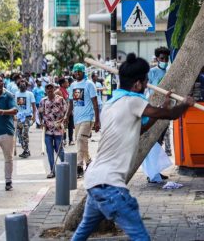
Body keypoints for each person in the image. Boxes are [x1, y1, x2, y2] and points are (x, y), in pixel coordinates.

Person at [71, 53, 195, 241]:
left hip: (94, 181)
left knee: (81, 234)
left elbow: (139, 128)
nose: (146, 85)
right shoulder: (134, 101)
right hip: (110, 185)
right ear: (137, 84)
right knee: (140, 237)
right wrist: (185, 104)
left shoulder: (111, 104)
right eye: (145, 82)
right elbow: (169, 116)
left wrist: (163, 107)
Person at [142, 47, 173, 184]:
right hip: (154, 111)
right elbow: (146, 90)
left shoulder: (169, 72)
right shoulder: (152, 72)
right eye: (162, 59)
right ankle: (151, 174)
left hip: (165, 111)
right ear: (157, 59)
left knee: (159, 143)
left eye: (166, 59)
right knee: (153, 142)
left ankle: (156, 172)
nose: (164, 61)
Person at [64, 63, 100, 178]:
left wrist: (97, 121)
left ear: (84, 72)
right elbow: (70, 103)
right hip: (77, 119)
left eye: (79, 71)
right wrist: (66, 116)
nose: (77, 73)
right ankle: (89, 162)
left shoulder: (89, 84)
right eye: (76, 71)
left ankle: (79, 167)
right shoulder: (72, 85)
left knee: (80, 139)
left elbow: (95, 104)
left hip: (88, 118)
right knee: (82, 141)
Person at [38, 83, 67, 178]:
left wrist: (63, 121)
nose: (49, 90)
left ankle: (67, 166)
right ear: (45, 90)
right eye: (48, 89)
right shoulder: (43, 101)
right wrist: (41, 122)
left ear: (54, 89)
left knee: (59, 150)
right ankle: (52, 171)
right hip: (48, 130)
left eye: (51, 88)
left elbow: (65, 112)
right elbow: (40, 113)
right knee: (49, 151)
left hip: (58, 129)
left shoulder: (60, 99)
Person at [0, 72, 18, 191]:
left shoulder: (8, 96)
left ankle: (8, 181)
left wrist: (1, 112)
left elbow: (15, 110)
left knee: (8, 158)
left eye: (1, 81)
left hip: (6, 133)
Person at [15, 79, 36, 158]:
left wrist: (34, 116)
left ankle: (26, 151)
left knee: (24, 133)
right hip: (19, 117)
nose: (22, 85)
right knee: (20, 135)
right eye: (21, 84)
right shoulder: (16, 94)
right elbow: (16, 106)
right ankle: (26, 149)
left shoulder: (30, 94)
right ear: (18, 85)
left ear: (26, 85)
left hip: (27, 117)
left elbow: (34, 107)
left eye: (24, 84)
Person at [55, 77, 70, 145]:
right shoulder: (58, 91)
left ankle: (64, 140)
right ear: (62, 84)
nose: (68, 83)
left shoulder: (65, 90)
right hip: (61, 112)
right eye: (66, 82)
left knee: (65, 126)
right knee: (61, 126)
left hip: (66, 111)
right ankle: (61, 140)